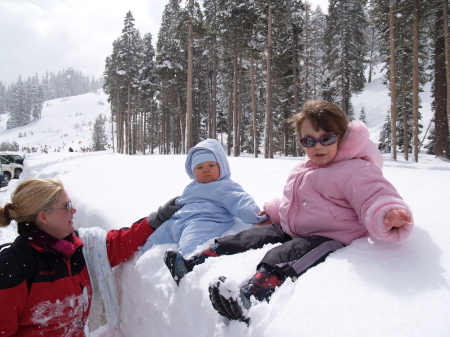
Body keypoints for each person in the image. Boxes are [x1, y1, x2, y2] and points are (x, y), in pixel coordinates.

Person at [165, 100, 414, 323]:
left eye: (326, 138)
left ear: (341, 136)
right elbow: (295, 202)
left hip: (328, 238)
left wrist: (389, 212)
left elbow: (375, 194)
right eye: (308, 140)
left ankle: (252, 295)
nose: (318, 146)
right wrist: (275, 212)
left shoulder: (355, 170)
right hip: (292, 228)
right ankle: (195, 261)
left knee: (284, 254)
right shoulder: (304, 169)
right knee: (249, 237)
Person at [0, 178, 180, 336]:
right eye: (66, 206)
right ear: (43, 217)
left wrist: (156, 219)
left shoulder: (77, 248)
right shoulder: (13, 266)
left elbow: (117, 244)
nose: (74, 210)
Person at [139, 139, 267, 283]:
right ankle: (140, 261)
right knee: (157, 236)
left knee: (192, 242)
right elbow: (183, 201)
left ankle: (185, 265)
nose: (206, 170)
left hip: (205, 221)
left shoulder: (225, 186)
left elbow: (240, 201)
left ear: (222, 167)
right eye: (199, 167)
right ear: (193, 172)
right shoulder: (191, 187)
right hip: (180, 220)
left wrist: (257, 217)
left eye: (211, 165)